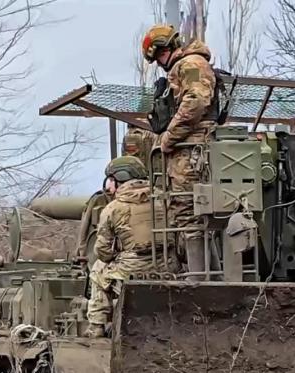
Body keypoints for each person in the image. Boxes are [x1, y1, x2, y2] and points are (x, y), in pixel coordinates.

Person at [141, 24, 217, 278]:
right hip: (188, 150)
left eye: (158, 56)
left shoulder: (191, 64)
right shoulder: (184, 66)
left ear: (166, 49)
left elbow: (195, 101)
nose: (158, 63)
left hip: (192, 151)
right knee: (190, 216)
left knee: (191, 214)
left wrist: (168, 138)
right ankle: (208, 278)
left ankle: (201, 281)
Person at [85, 155, 177, 338]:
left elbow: (102, 252)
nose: (109, 186)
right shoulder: (165, 199)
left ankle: (97, 326)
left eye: (111, 180)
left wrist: (119, 254)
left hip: (131, 269)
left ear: (120, 179)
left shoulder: (113, 208)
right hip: (168, 266)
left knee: (97, 271)